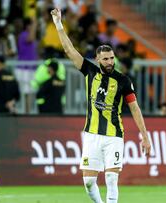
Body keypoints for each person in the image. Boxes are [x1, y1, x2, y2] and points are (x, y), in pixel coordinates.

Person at [51, 8, 151, 203]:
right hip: (91, 134)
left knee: (111, 179)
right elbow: (69, 50)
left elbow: (134, 108)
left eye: (112, 58)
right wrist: (58, 24)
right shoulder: (89, 71)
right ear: (97, 59)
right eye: (105, 59)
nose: (109, 62)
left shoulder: (122, 80)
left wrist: (145, 137)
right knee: (89, 182)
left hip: (114, 135)